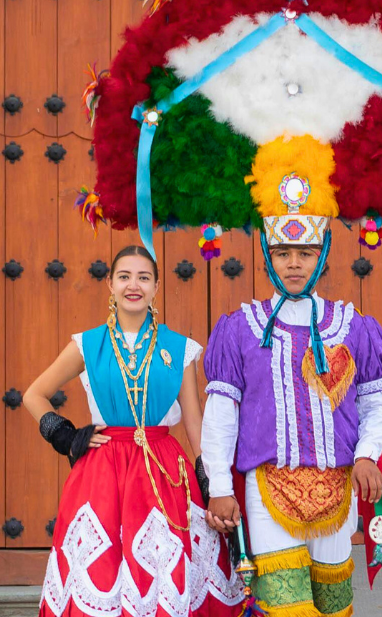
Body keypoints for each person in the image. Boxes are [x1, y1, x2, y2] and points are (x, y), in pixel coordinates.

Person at [200, 162, 382, 617]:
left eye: (305, 252)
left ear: (322, 254)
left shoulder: (353, 326)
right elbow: (220, 415)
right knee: (285, 609)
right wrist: (217, 484)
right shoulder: (241, 329)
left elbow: (376, 402)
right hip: (268, 487)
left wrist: (368, 454)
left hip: (339, 486)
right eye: (283, 251)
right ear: (268, 256)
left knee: (334, 607)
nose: (294, 262)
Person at [23, 245, 244, 617]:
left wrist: (213, 489)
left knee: (161, 575)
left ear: (156, 286)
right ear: (110, 284)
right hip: (103, 470)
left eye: (143, 278)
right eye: (124, 277)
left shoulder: (180, 348)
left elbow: (195, 429)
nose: (133, 285)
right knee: (103, 573)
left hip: (165, 473)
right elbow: (34, 395)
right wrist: (66, 436)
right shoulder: (87, 344)